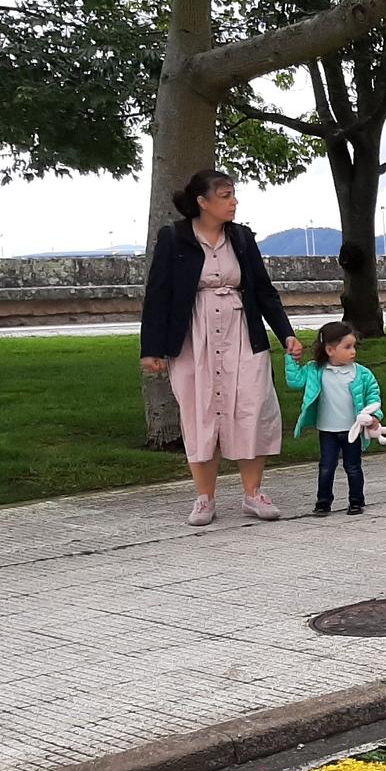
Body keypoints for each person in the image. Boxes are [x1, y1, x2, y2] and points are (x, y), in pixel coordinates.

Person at [140, 170, 301, 525]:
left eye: (233, 195)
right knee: (199, 413)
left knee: (252, 407)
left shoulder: (242, 238)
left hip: (242, 332)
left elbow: (263, 289)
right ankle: (204, 498)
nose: (234, 202)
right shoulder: (174, 238)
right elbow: (158, 295)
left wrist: (285, 334)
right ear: (203, 202)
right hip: (193, 336)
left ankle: (253, 493)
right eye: (226, 195)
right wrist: (151, 348)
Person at [284, 320, 383, 515]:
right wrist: (291, 359)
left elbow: (373, 395)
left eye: (354, 346)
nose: (353, 351)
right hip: (327, 431)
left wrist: (373, 416)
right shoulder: (315, 370)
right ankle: (323, 502)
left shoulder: (361, 374)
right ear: (330, 350)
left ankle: (356, 501)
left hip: (352, 431)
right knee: (326, 467)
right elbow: (295, 382)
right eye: (347, 347)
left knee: (353, 467)